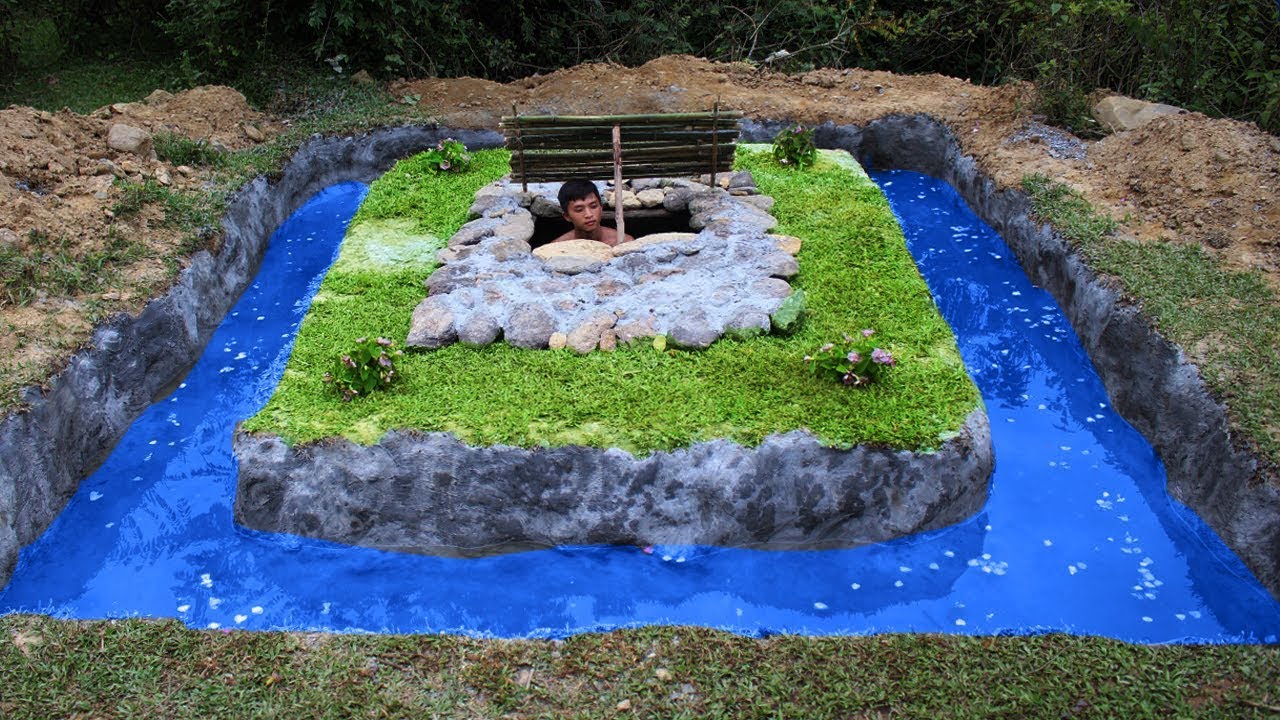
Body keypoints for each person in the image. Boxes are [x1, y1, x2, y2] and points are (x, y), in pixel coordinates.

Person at [552, 179, 633, 247]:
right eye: (579, 210)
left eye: (593, 206)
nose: (589, 214)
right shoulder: (558, 248)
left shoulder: (623, 243)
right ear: (567, 216)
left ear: (601, 207)